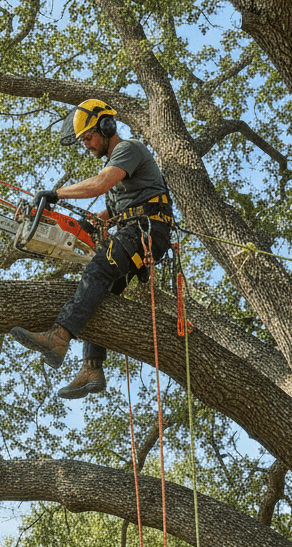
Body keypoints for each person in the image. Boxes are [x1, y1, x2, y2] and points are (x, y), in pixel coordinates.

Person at [10, 99, 174, 398]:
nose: (86, 144)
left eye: (88, 137)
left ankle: (58, 338)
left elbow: (98, 184)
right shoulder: (115, 175)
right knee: (102, 291)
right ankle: (92, 368)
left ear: (107, 126)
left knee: (98, 268)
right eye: (83, 140)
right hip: (135, 230)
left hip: (147, 230)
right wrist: (71, 226)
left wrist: (55, 194)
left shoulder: (128, 150)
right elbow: (109, 214)